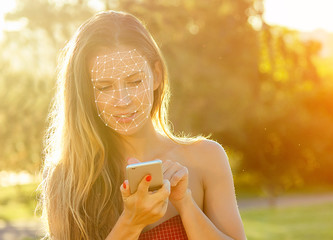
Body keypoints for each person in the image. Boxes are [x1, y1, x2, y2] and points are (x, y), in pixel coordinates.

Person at [38, 10, 247, 240]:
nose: (123, 101)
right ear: (86, 93)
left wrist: (185, 203)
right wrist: (131, 222)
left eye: (134, 81)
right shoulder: (67, 178)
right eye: (105, 87)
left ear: (156, 75)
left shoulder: (207, 157)